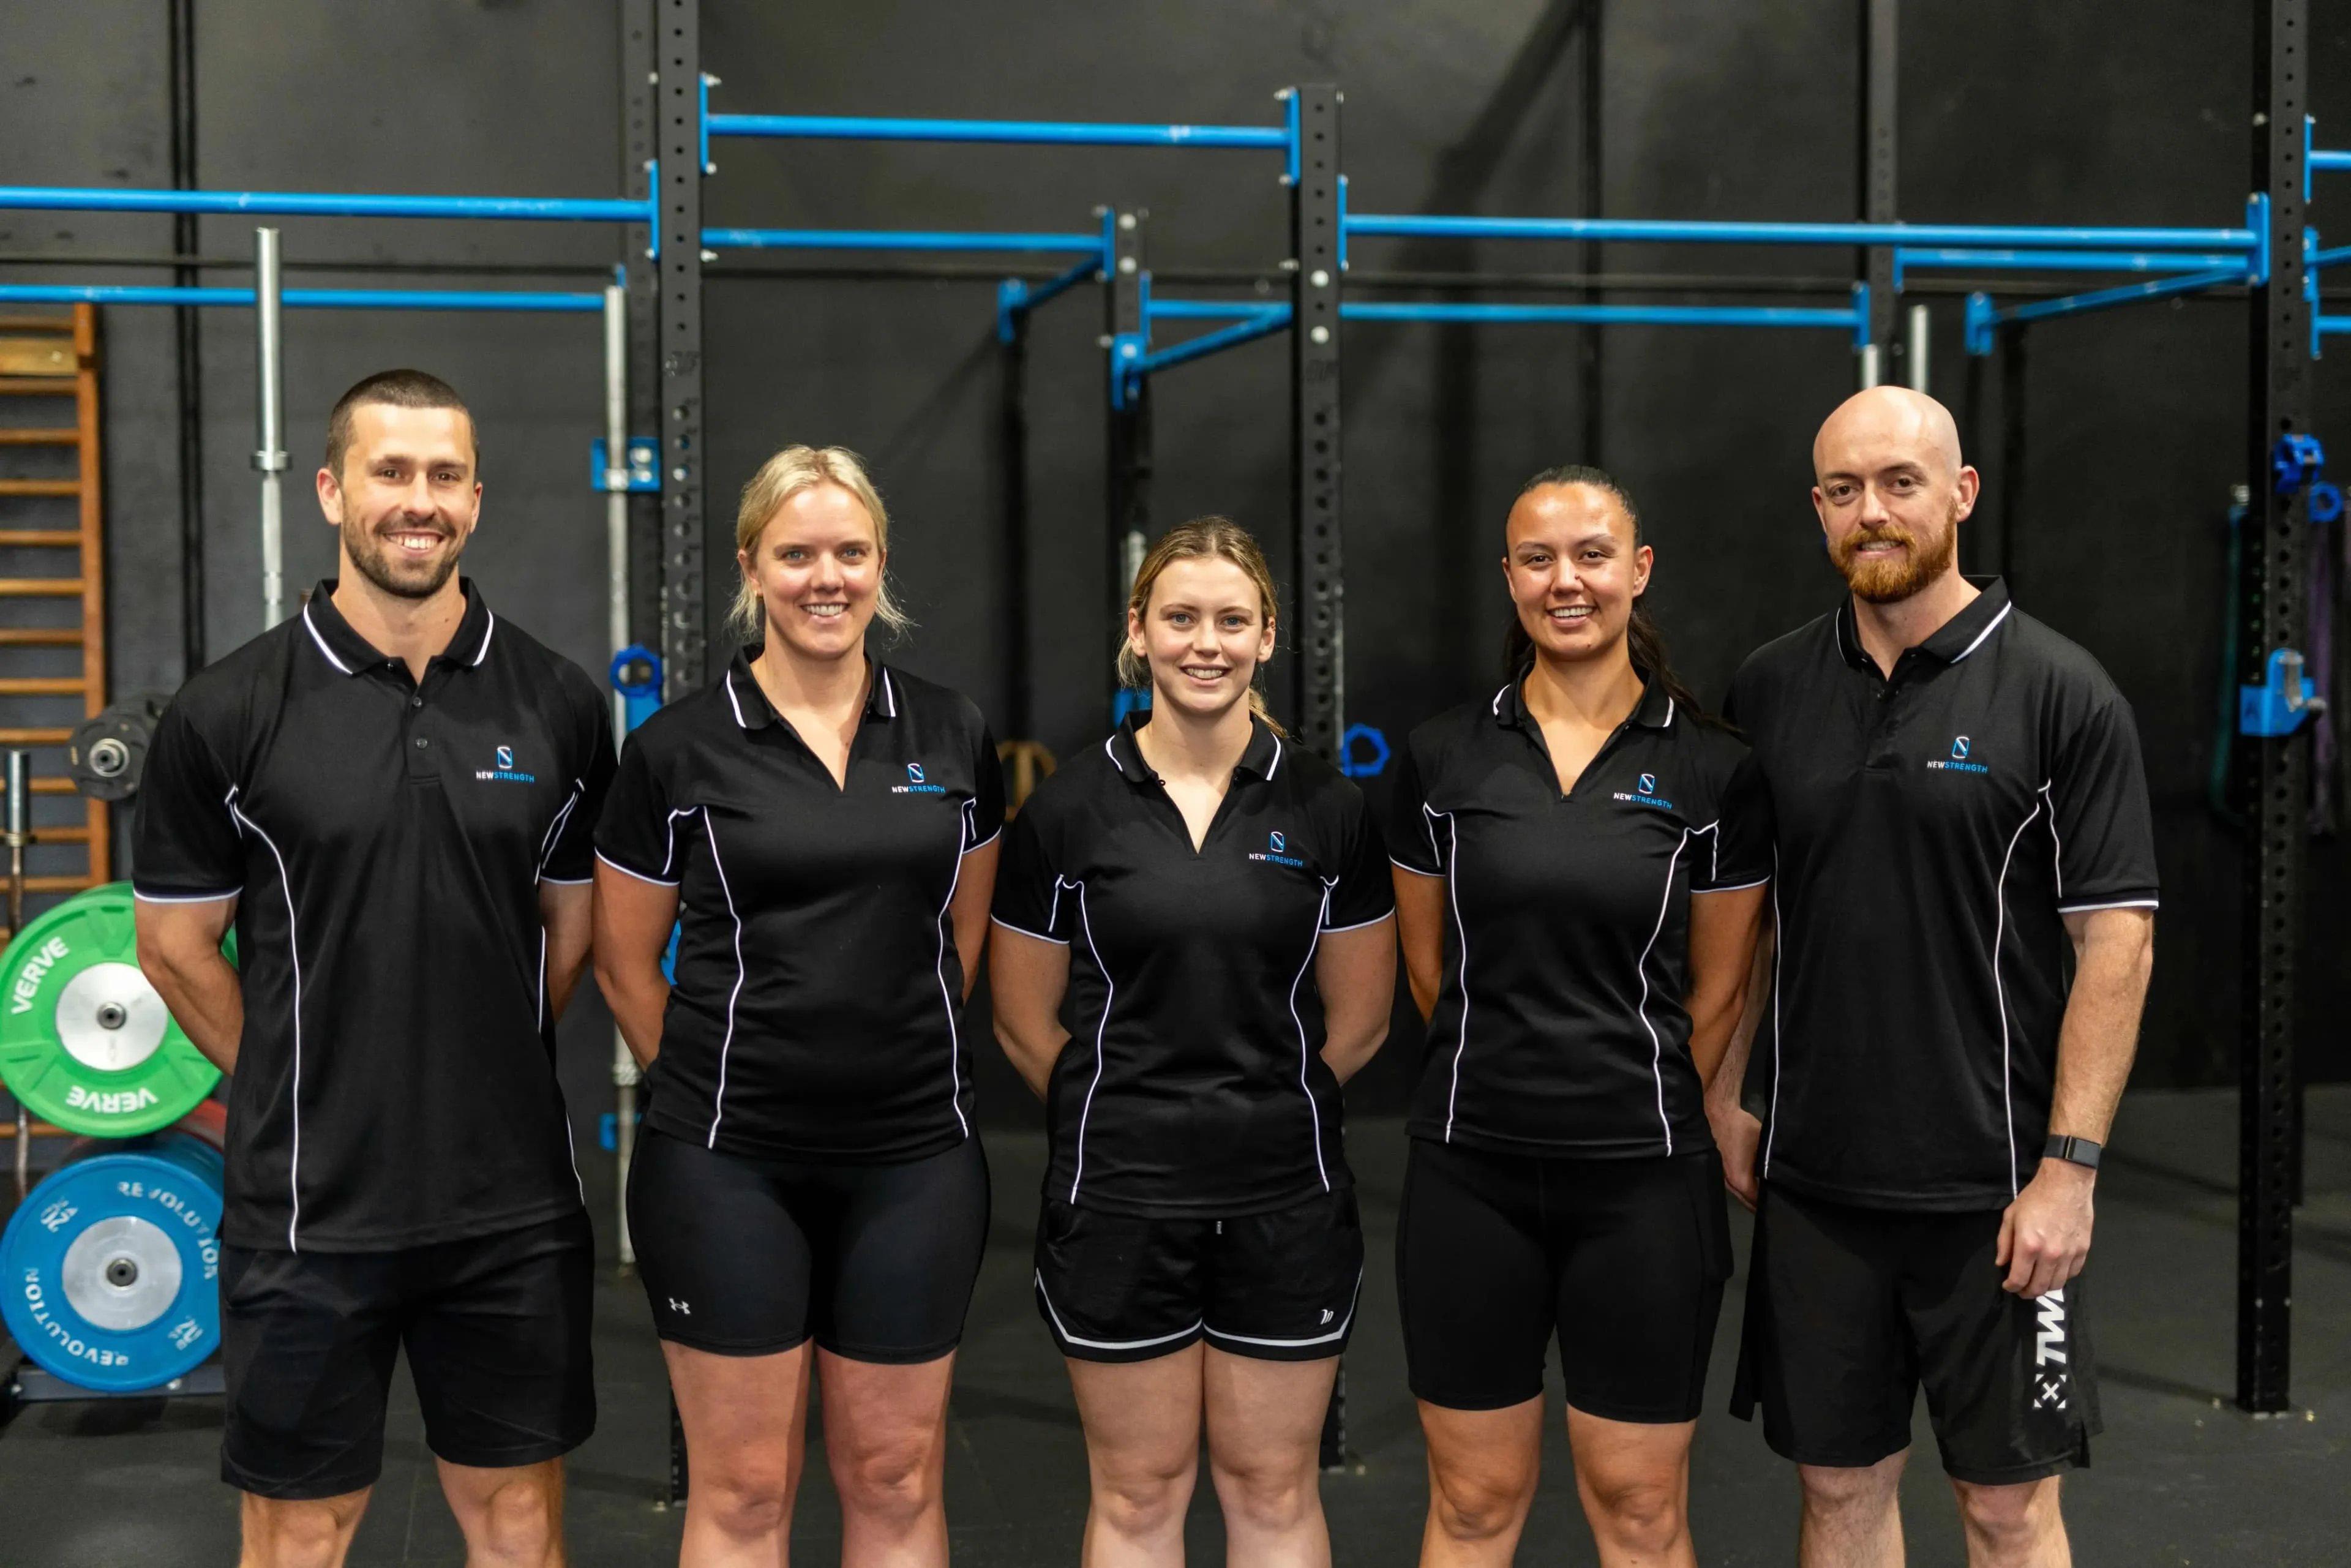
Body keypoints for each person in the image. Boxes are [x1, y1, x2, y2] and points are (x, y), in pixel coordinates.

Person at [133, 369, 613, 1568]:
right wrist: (303, 1071)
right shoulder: (230, 706)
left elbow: (572, 922)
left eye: (445, 475)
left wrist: (479, 1043)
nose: (421, 499)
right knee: (303, 1531)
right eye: (392, 472)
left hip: (506, 1204)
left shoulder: (557, 699)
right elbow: (174, 944)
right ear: (334, 491)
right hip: (309, 1207)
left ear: (477, 498)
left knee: (516, 1522)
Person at [1717, 387, 2158, 1568]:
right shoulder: (1767, 688)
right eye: (1846, 490)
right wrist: (1729, 1094)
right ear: (1819, 509)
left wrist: (2070, 1171)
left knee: (2008, 1511)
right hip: (1816, 1187)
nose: (1874, 512)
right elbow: (1749, 922)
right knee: (1838, 1489)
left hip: (1998, 1192)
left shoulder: (2063, 691)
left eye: (1901, 483)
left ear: (1959, 494)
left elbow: (2116, 940)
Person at [593, 445, 1000, 1568]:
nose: (827, 578)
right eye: (798, 553)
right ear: (752, 566)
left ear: (881, 565)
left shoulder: (951, 732)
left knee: (893, 1475)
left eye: (850, 552)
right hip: (728, 1164)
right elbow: (627, 964)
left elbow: (960, 936)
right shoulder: (676, 748)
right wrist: (713, 1082)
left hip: (915, 1156)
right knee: (743, 1493)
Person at [989, 517, 1395, 1568]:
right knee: (1137, 1494)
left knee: (1271, 1488)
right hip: (1120, 1200)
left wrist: (1258, 1106)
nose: (1203, 642)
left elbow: (1361, 1023)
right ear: (1139, 632)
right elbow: (1025, 1025)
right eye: (1179, 618)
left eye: (1230, 620)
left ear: (1267, 637)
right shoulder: (1066, 812)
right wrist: (1122, 1112)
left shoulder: (1331, 811)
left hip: (1284, 1197)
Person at [1387, 468, 1769, 1568]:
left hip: (1645, 1184)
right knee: (1471, 1501)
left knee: (1642, 1511)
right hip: (1471, 1176)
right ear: (1508, 576)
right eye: (1540, 558)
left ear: (1638, 572)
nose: (1569, 581)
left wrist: (1616, 1093)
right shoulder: (1441, 757)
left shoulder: (1714, 769)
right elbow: (1430, 976)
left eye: (1594, 556)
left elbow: (1721, 990)